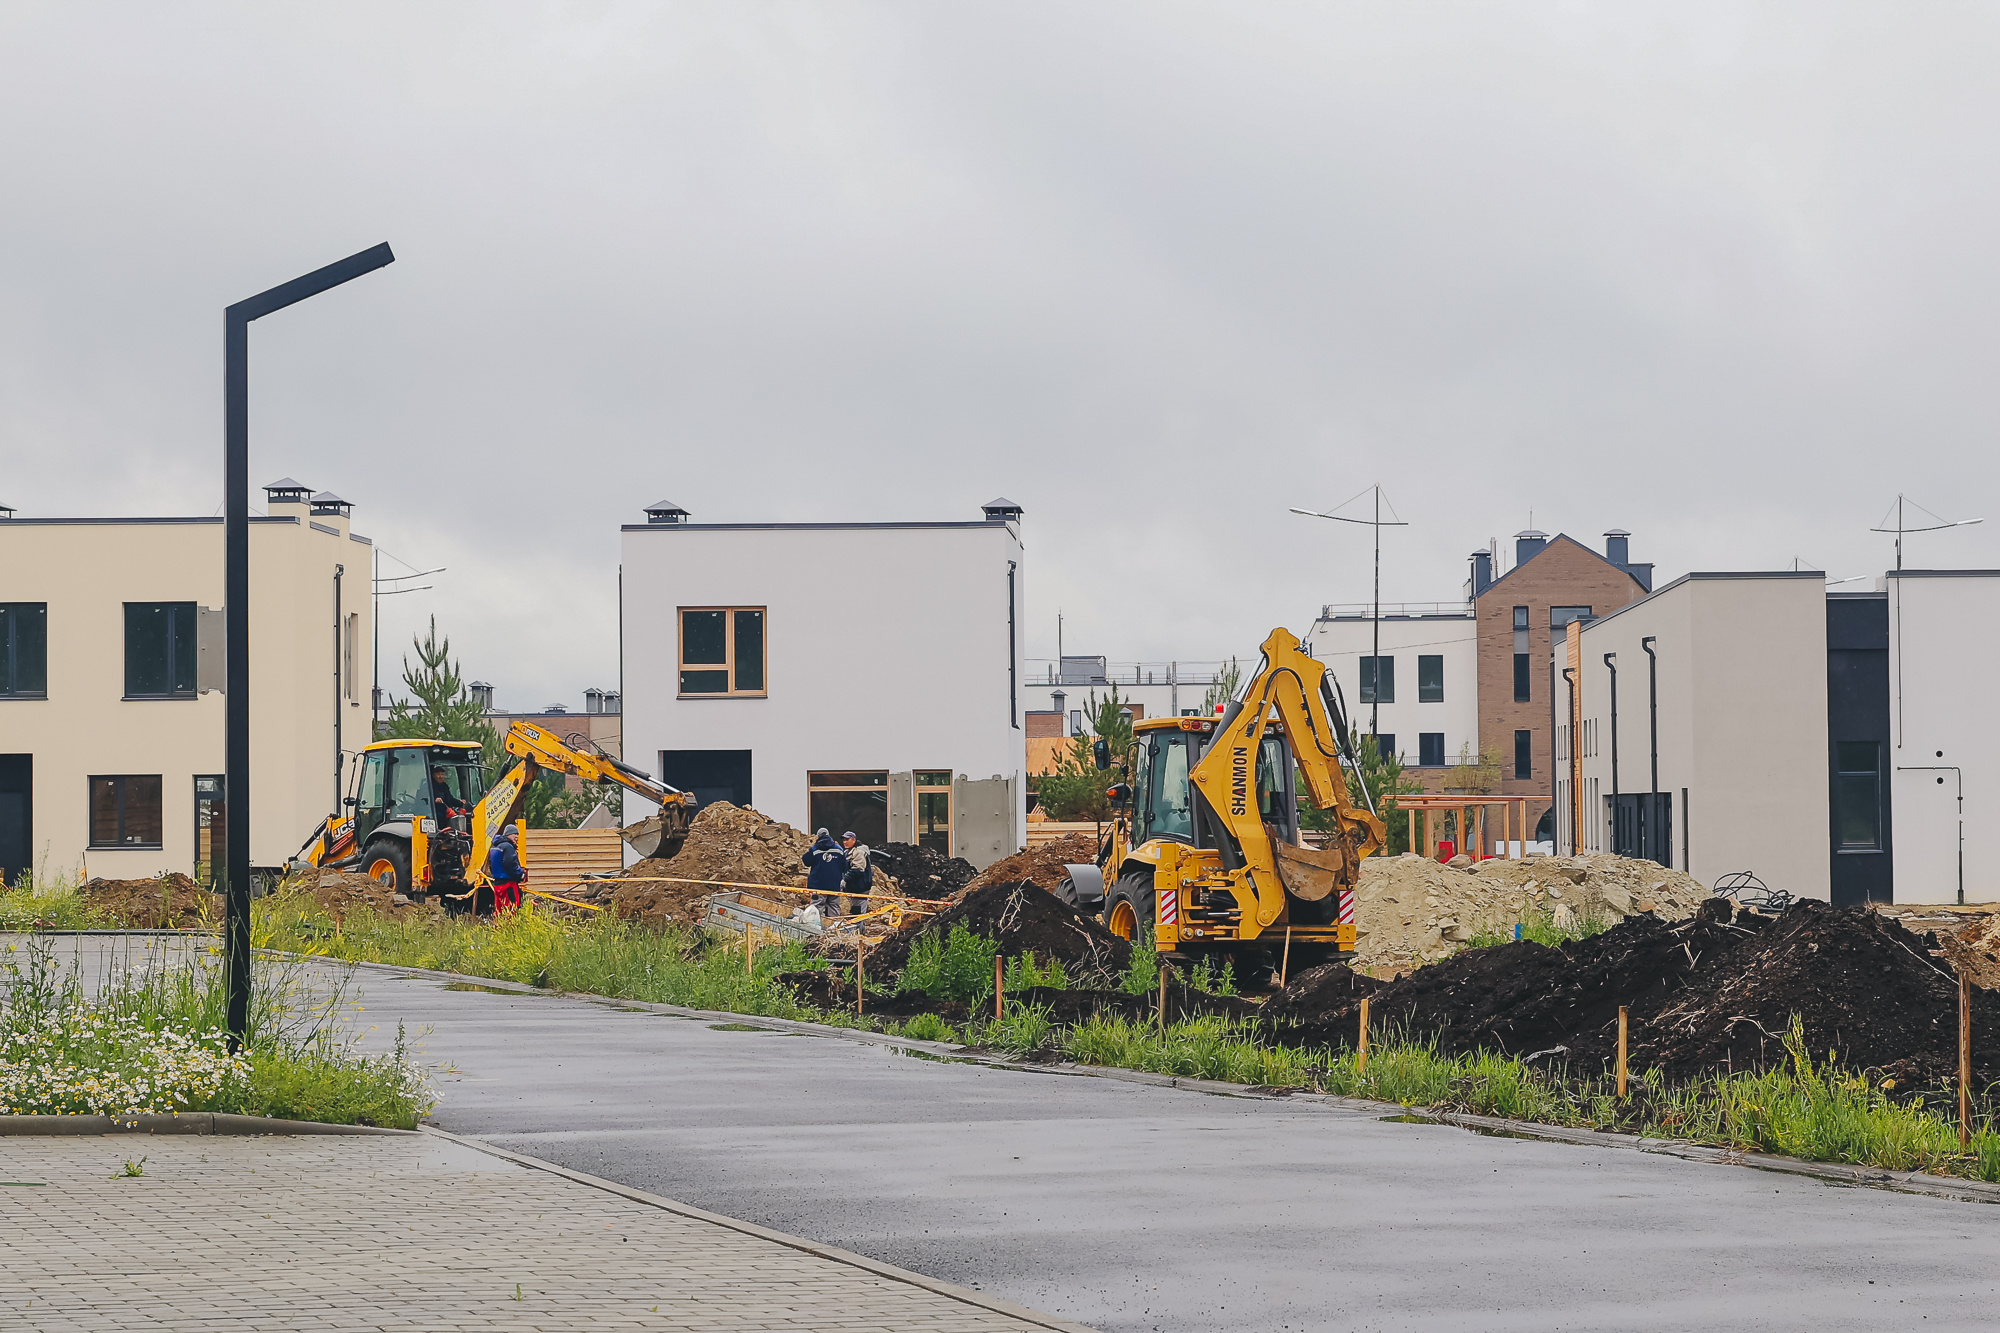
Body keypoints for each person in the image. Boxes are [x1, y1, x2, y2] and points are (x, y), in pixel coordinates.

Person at [803, 828, 847, 916]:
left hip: (818, 885)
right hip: (834, 884)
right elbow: (845, 867)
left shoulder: (815, 849)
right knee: (833, 906)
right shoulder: (838, 849)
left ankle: (815, 927)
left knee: (816, 907)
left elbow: (806, 861)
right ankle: (832, 927)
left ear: (818, 836)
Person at [487, 823, 525, 915]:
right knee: (511, 909)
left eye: (517, 834)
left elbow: (491, 864)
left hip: (497, 884)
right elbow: (510, 864)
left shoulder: (495, 847)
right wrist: (521, 874)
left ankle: (499, 928)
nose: (516, 837)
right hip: (508, 885)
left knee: (500, 910)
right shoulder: (508, 847)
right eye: (514, 834)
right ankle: (511, 929)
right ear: (508, 834)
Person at [840, 830, 873, 915]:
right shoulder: (848, 852)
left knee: (858, 913)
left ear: (853, 840)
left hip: (860, 887)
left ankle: (859, 928)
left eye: (847, 839)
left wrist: (845, 879)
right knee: (855, 912)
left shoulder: (858, 852)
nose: (845, 842)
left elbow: (858, 869)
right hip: (854, 887)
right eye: (844, 840)